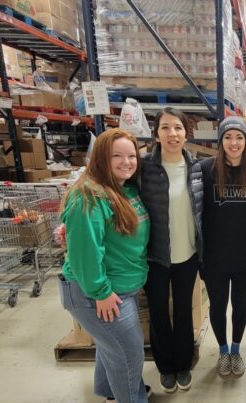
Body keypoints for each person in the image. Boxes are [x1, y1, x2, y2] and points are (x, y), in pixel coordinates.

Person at [58, 128, 151, 403]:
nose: (127, 162)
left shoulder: (124, 188)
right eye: (117, 156)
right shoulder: (89, 197)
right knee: (128, 354)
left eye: (132, 156)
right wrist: (100, 292)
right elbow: (86, 253)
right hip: (100, 293)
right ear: (100, 158)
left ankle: (110, 391)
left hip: (120, 288)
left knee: (111, 348)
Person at [140, 107, 203, 393]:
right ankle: (166, 367)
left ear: (186, 132)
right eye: (165, 127)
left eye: (177, 127)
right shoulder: (144, 168)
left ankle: (183, 363)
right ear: (157, 133)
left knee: (183, 312)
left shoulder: (197, 167)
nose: (172, 134)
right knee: (158, 313)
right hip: (155, 256)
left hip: (187, 254)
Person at [199, 116, 246, 377]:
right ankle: (223, 350)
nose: (234, 143)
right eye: (228, 137)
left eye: (239, 137)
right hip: (214, 256)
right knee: (218, 305)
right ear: (220, 141)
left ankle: (236, 350)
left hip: (245, 255)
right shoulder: (204, 169)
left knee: (241, 304)